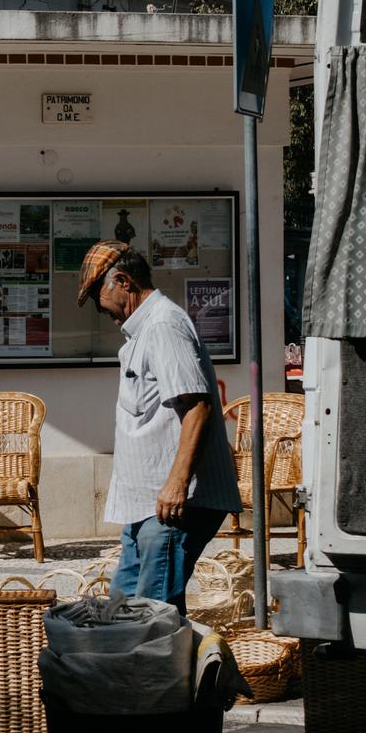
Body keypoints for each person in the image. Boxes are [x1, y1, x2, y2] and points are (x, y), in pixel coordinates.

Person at [77, 241, 241, 613]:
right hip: (147, 505)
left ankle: (165, 654)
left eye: (98, 295)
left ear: (123, 282)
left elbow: (198, 407)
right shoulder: (144, 330)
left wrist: (177, 483)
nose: (99, 309)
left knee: (151, 615)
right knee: (122, 610)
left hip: (172, 505)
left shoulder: (164, 325)